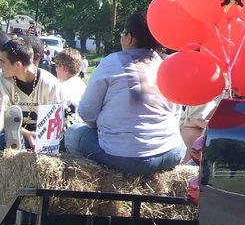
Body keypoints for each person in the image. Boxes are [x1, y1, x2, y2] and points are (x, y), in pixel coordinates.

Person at [63, 12, 184, 175]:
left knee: (72, 134)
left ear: (130, 37)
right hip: (172, 152)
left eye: (122, 34)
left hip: (127, 158)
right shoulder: (165, 65)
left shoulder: (111, 62)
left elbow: (87, 113)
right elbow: (176, 113)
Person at [0, 36, 65, 149]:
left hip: (42, 136)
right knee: (3, 139)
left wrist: (40, 141)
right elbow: (1, 118)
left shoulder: (50, 84)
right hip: (14, 134)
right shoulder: (0, 81)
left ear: (18, 65)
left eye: (3, 61)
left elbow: (54, 125)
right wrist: (25, 133)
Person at [54, 47, 87, 121]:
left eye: (56, 66)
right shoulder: (86, 88)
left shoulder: (58, 89)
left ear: (62, 68)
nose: (55, 69)